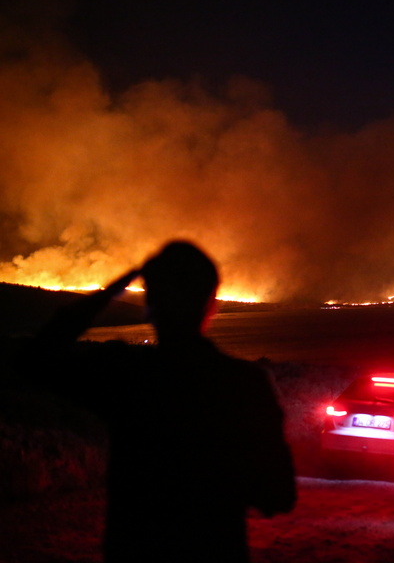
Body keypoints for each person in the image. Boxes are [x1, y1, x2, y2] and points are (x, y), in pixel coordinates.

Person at [21, 241, 296, 562]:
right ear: (211, 303)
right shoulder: (245, 385)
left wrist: (111, 291)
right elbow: (278, 495)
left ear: (150, 302)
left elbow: (33, 359)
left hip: (137, 549)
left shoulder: (126, 373)